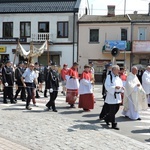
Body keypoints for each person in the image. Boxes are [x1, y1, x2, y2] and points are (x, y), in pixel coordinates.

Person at [103, 65, 124, 130]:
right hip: (112, 96)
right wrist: (114, 87)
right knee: (112, 110)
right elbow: (107, 86)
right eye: (117, 69)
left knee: (117, 109)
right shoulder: (109, 77)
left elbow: (121, 84)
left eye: (118, 70)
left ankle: (107, 118)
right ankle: (114, 124)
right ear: (113, 70)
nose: (118, 71)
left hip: (117, 96)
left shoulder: (118, 77)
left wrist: (122, 88)